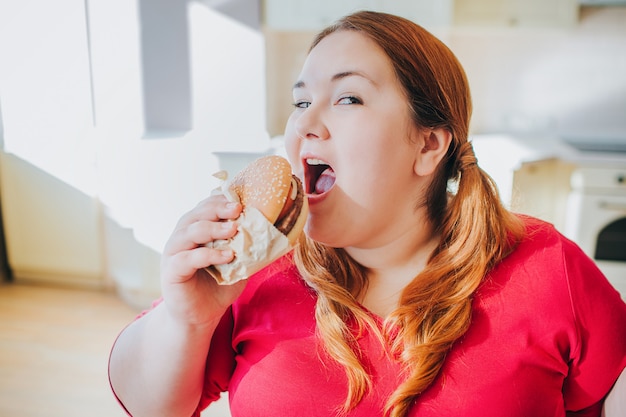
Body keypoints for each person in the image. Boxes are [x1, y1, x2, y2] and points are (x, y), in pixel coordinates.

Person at [108, 10, 626, 417]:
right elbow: (150, 407)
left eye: (349, 98)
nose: (305, 123)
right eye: (300, 101)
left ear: (428, 145)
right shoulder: (257, 269)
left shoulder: (547, 267)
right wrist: (186, 318)